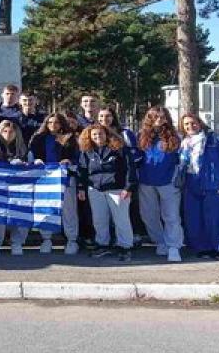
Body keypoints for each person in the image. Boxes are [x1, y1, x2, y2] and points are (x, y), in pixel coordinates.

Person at [179, 113, 219, 259]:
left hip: (213, 184)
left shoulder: (215, 140)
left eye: (193, 123)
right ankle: (201, 247)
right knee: (195, 218)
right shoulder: (184, 143)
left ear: (200, 123)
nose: (190, 126)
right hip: (192, 184)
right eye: (186, 124)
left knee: (217, 217)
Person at [77, 124, 137, 262]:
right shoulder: (87, 152)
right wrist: (81, 188)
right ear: (89, 137)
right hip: (95, 189)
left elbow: (130, 168)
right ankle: (102, 244)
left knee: (121, 219)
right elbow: (82, 171)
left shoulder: (119, 149)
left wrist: (129, 188)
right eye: (94, 135)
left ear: (107, 134)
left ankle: (125, 246)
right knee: (99, 219)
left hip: (117, 189)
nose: (98, 137)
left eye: (101, 134)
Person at [137, 106, 185, 262]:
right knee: (148, 215)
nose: (159, 120)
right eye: (155, 117)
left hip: (168, 181)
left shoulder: (175, 136)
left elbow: (182, 159)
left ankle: (174, 246)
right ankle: (160, 241)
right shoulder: (141, 136)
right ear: (149, 119)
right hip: (146, 181)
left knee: (171, 215)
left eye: (162, 117)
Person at [29, 113, 79, 255]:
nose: (53, 125)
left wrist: (69, 161)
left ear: (62, 124)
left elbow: (77, 158)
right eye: (50, 122)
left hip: (66, 178)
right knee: (46, 210)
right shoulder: (38, 138)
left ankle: (71, 240)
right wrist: (36, 161)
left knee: (69, 211)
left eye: (56, 122)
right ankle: (46, 239)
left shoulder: (70, 138)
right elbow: (31, 155)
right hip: (45, 179)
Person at [97, 106, 145, 242]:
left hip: (124, 179)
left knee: (127, 211)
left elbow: (136, 153)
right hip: (104, 181)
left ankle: (131, 238)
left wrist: (124, 165)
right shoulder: (95, 133)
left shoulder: (125, 133)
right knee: (104, 214)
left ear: (113, 117)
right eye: (101, 117)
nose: (104, 119)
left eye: (107, 116)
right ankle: (110, 239)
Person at [0, 120, 30, 257]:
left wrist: (28, 164)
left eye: (11, 131)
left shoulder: (24, 149)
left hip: (20, 187)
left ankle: (17, 242)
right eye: (5, 131)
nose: (8, 134)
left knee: (21, 214)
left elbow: (32, 165)